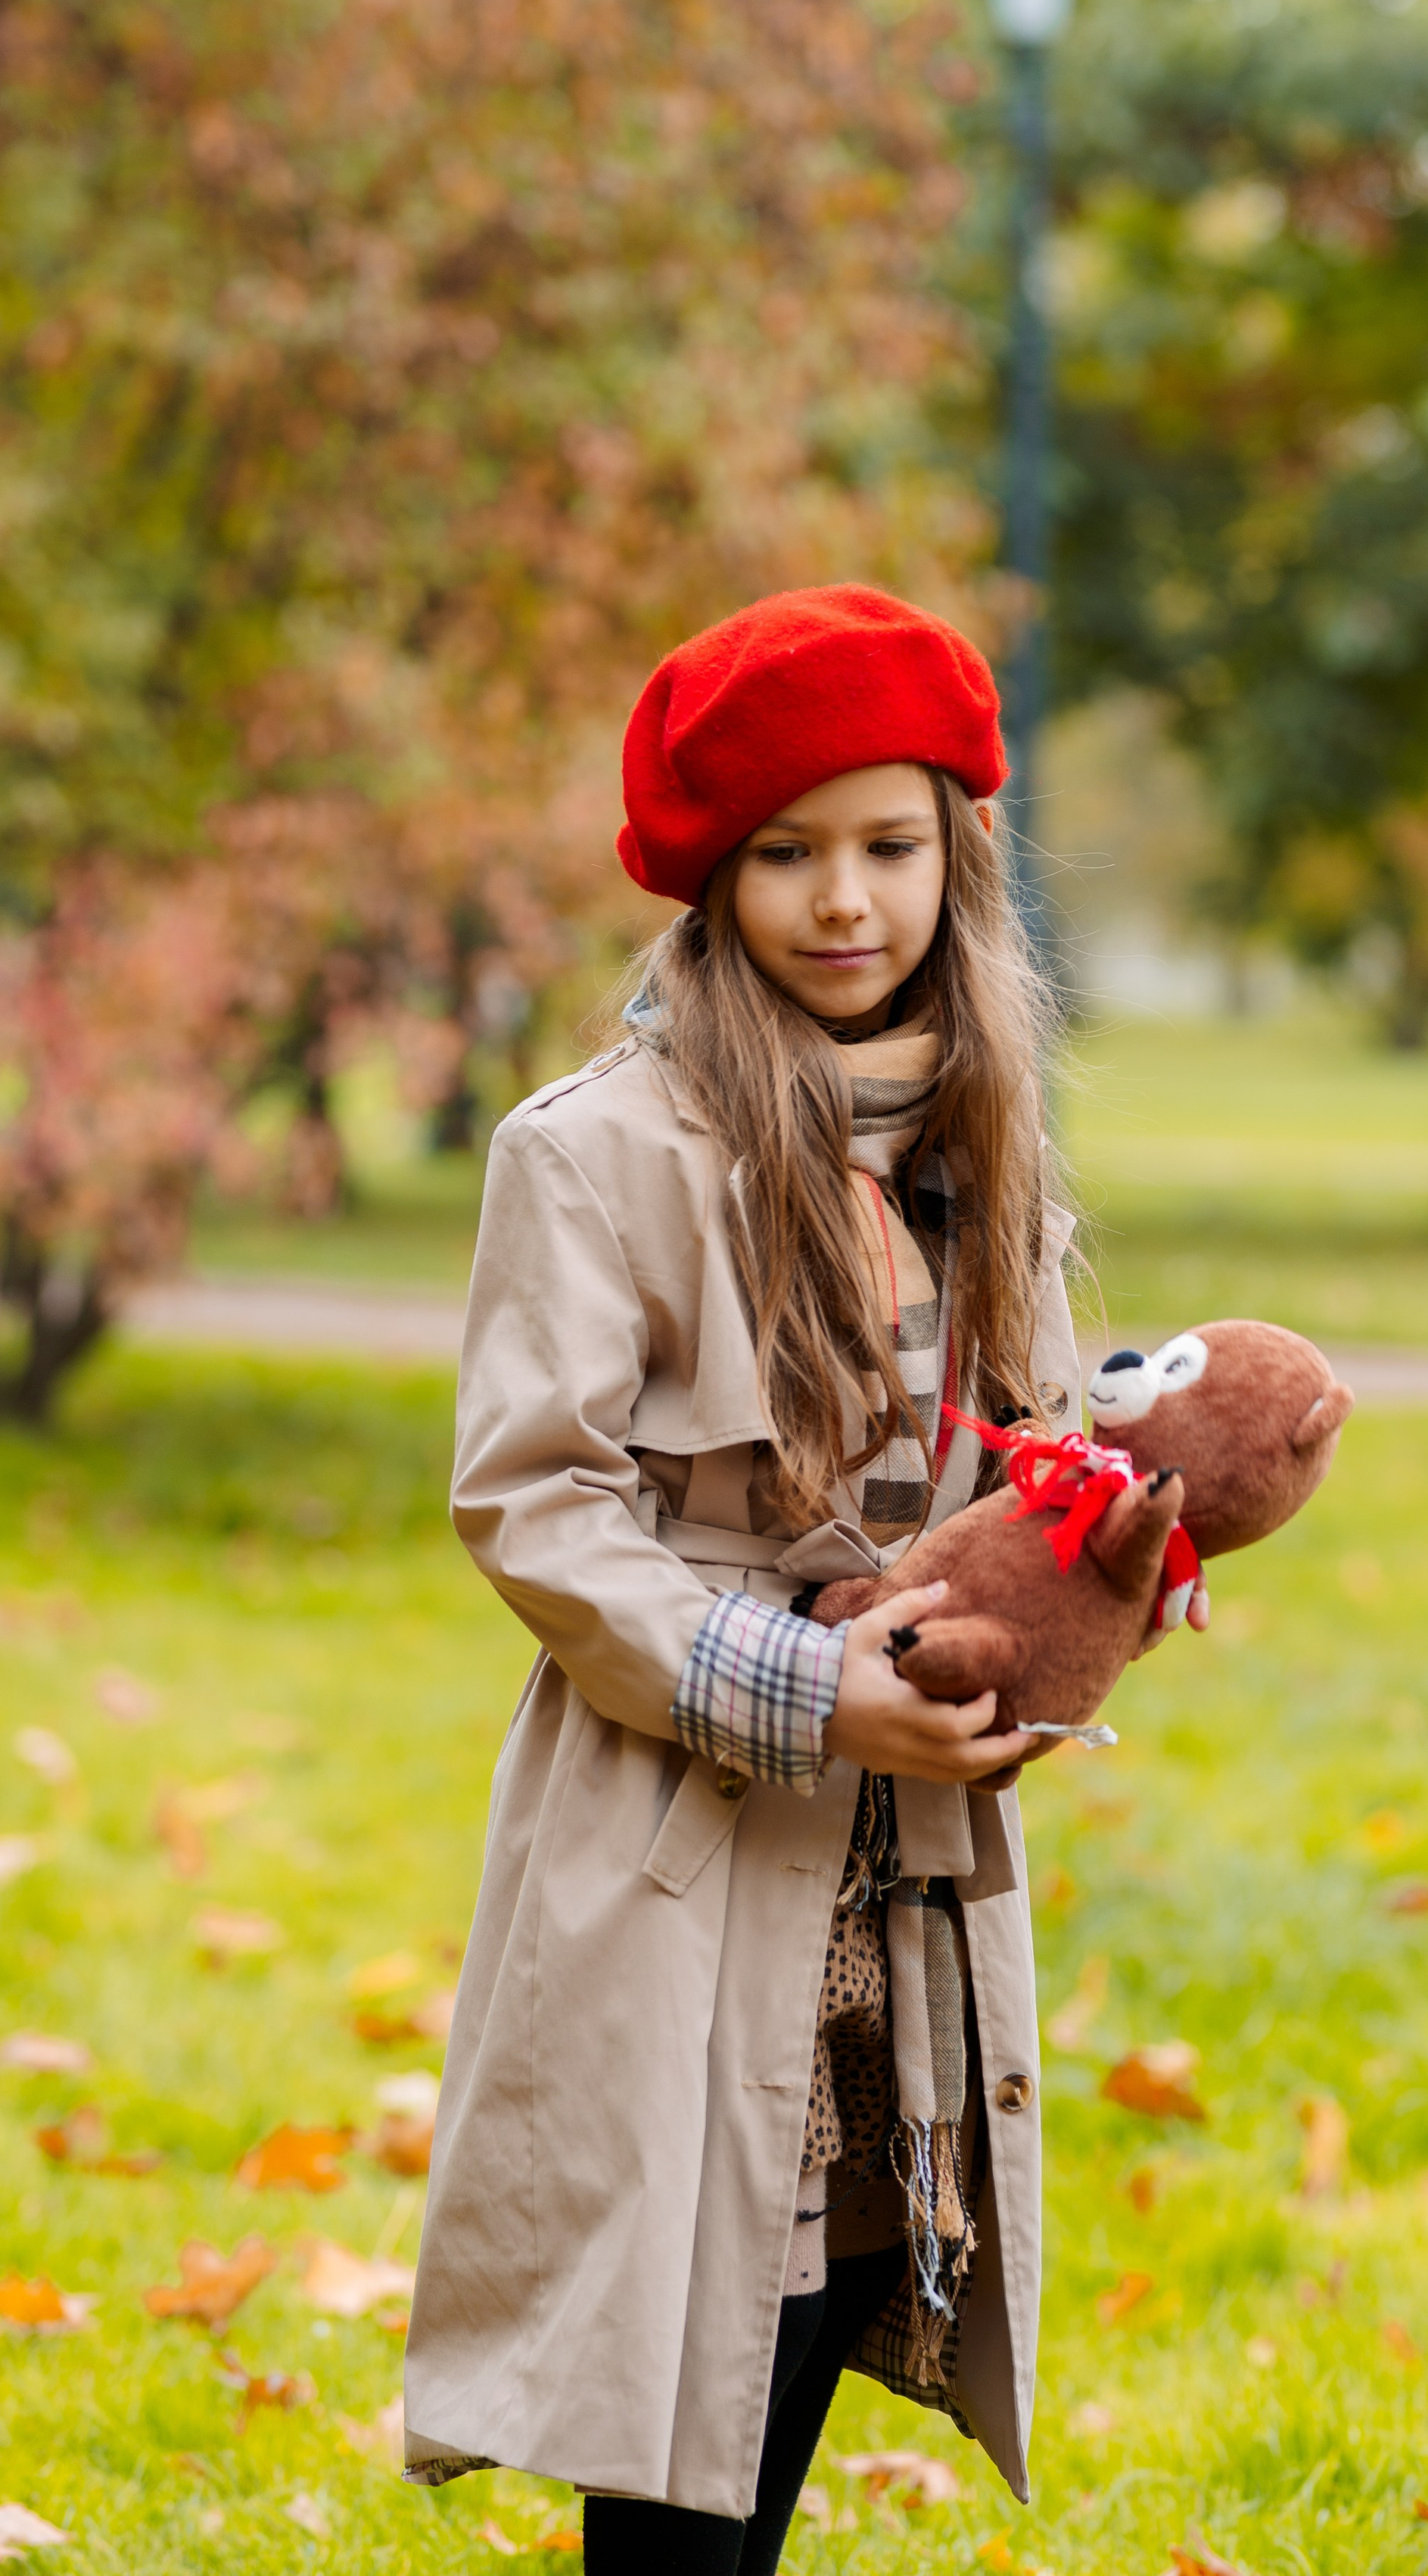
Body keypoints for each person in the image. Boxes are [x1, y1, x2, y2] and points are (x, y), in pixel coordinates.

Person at [403, 584, 1154, 2570]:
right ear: (713, 877)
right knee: (680, 2334)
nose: (845, 900)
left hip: (903, 1865)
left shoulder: (986, 1138)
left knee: (837, 2270)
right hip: (684, 1830)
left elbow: (1034, 1448)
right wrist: (810, 1688)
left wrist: (1110, 1562)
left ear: (958, 855)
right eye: (786, 853)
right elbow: (538, 1505)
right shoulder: (594, 1153)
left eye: (890, 846)